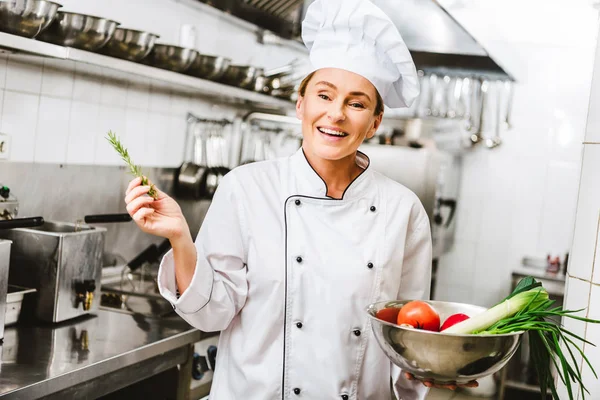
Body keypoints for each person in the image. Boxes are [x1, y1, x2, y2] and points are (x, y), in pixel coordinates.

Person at [124, 0, 477, 398]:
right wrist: (180, 239)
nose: (336, 114)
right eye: (324, 96)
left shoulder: (402, 210)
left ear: (375, 122)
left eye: (356, 103)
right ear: (301, 104)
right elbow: (211, 312)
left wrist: (434, 368)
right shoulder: (246, 188)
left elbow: (410, 335)